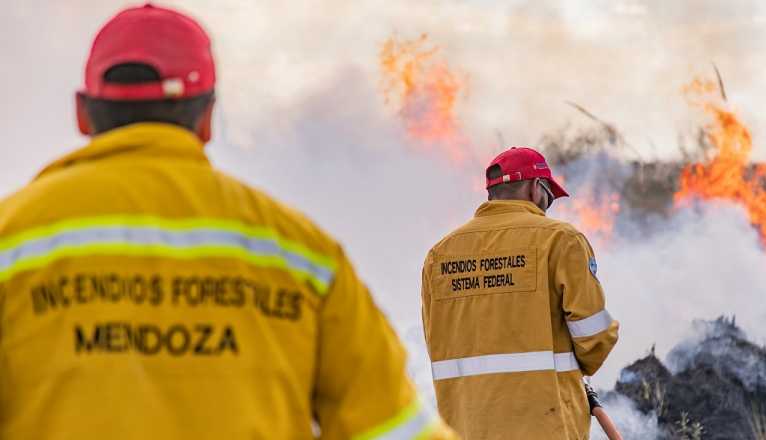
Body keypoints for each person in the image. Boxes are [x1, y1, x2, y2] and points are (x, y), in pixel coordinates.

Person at [0, 4, 454, 439]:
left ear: (82, 113)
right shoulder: (304, 259)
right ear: (207, 119)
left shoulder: (11, 240)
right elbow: (390, 429)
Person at [420, 146, 620, 439]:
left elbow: (437, 340)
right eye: (548, 197)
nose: (546, 205)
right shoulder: (561, 240)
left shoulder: (438, 255)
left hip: (463, 428)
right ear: (535, 188)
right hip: (545, 427)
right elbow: (595, 339)